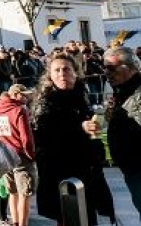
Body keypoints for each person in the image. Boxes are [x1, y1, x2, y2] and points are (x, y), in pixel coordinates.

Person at [31, 52, 113, 225]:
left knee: (89, 217)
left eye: (66, 69)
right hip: (61, 173)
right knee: (70, 218)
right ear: (50, 75)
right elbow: (45, 133)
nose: (62, 74)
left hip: (86, 170)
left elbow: (88, 126)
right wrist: (79, 127)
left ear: (75, 72)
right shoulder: (44, 102)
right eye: (57, 70)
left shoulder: (80, 95)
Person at [102, 46, 141, 220]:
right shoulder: (123, 92)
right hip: (131, 169)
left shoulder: (138, 94)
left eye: (111, 68)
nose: (106, 73)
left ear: (131, 68)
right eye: (105, 68)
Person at [0, 84, 36, 226]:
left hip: (5, 157)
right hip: (21, 157)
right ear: (15, 95)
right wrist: (31, 155)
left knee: (12, 192)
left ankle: (15, 222)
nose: (26, 98)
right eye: (23, 95)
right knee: (24, 195)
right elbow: (26, 139)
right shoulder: (19, 110)